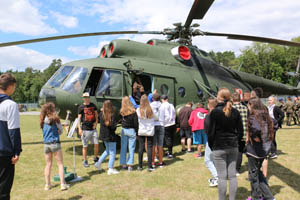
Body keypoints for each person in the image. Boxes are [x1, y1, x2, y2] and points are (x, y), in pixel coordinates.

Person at [207, 88, 243, 200]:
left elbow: (210, 132)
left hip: (219, 146)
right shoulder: (235, 112)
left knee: (222, 177)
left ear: (219, 97)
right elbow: (241, 131)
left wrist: (212, 145)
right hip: (233, 146)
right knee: (232, 176)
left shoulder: (214, 113)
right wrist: (236, 141)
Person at [246, 97, 275, 200]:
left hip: (255, 151)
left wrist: (255, 136)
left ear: (252, 105)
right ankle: (266, 196)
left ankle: (257, 197)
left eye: (249, 105)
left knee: (253, 175)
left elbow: (256, 129)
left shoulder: (253, 117)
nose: (248, 107)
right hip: (264, 149)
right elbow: (274, 124)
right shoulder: (265, 115)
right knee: (258, 174)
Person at [0, 73, 22, 200]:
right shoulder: (10, 104)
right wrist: (16, 151)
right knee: (3, 189)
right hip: (4, 153)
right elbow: (13, 130)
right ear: (10, 86)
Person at [40, 103, 69, 191]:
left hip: (46, 144)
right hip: (55, 143)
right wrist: (58, 130)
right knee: (60, 164)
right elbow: (60, 132)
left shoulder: (42, 120)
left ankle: (47, 185)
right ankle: (62, 184)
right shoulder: (56, 119)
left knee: (48, 164)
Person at [95, 100, 119, 175]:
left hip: (103, 135)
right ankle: (110, 168)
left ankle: (98, 163)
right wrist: (116, 123)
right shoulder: (112, 115)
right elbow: (113, 128)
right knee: (112, 152)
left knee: (108, 151)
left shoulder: (101, 114)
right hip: (110, 136)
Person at [77, 92, 99, 168]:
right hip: (85, 129)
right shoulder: (81, 107)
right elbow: (79, 119)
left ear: (89, 97)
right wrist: (79, 129)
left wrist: (96, 123)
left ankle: (96, 158)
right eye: (85, 97)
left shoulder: (93, 105)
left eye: (87, 97)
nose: (86, 99)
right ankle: (85, 161)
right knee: (85, 146)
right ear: (83, 98)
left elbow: (96, 115)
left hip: (93, 129)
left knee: (96, 144)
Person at [136, 95, 155, 172]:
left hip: (141, 130)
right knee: (149, 148)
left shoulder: (138, 110)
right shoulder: (151, 109)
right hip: (150, 130)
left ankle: (140, 166)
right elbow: (156, 117)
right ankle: (150, 166)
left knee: (141, 148)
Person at [120, 96, 139, 171]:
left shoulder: (122, 112)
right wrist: (137, 132)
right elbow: (136, 124)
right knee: (131, 148)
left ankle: (123, 164)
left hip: (124, 130)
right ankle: (130, 165)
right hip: (131, 130)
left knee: (123, 148)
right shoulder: (134, 112)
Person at [232, 92, 248, 175]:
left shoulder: (230, 109)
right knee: (240, 152)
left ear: (232, 99)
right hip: (244, 134)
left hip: (233, 135)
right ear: (240, 99)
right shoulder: (245, 108)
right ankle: (237, 169)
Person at [204, 97, 218, 187]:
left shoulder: (209, 116)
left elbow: (207, 130)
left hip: (212, 140)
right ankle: (216, 176)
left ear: (209, 105)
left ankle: (217, 177)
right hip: (221, 140)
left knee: (208, 160)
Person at [150, 93, 165, 168]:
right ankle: (160, 162)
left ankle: (152, 162)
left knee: (153, 145)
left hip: (153, 125)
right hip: (161, 124)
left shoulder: (150, 105)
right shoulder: (163, 105)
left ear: (153, 98)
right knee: (160, 145)